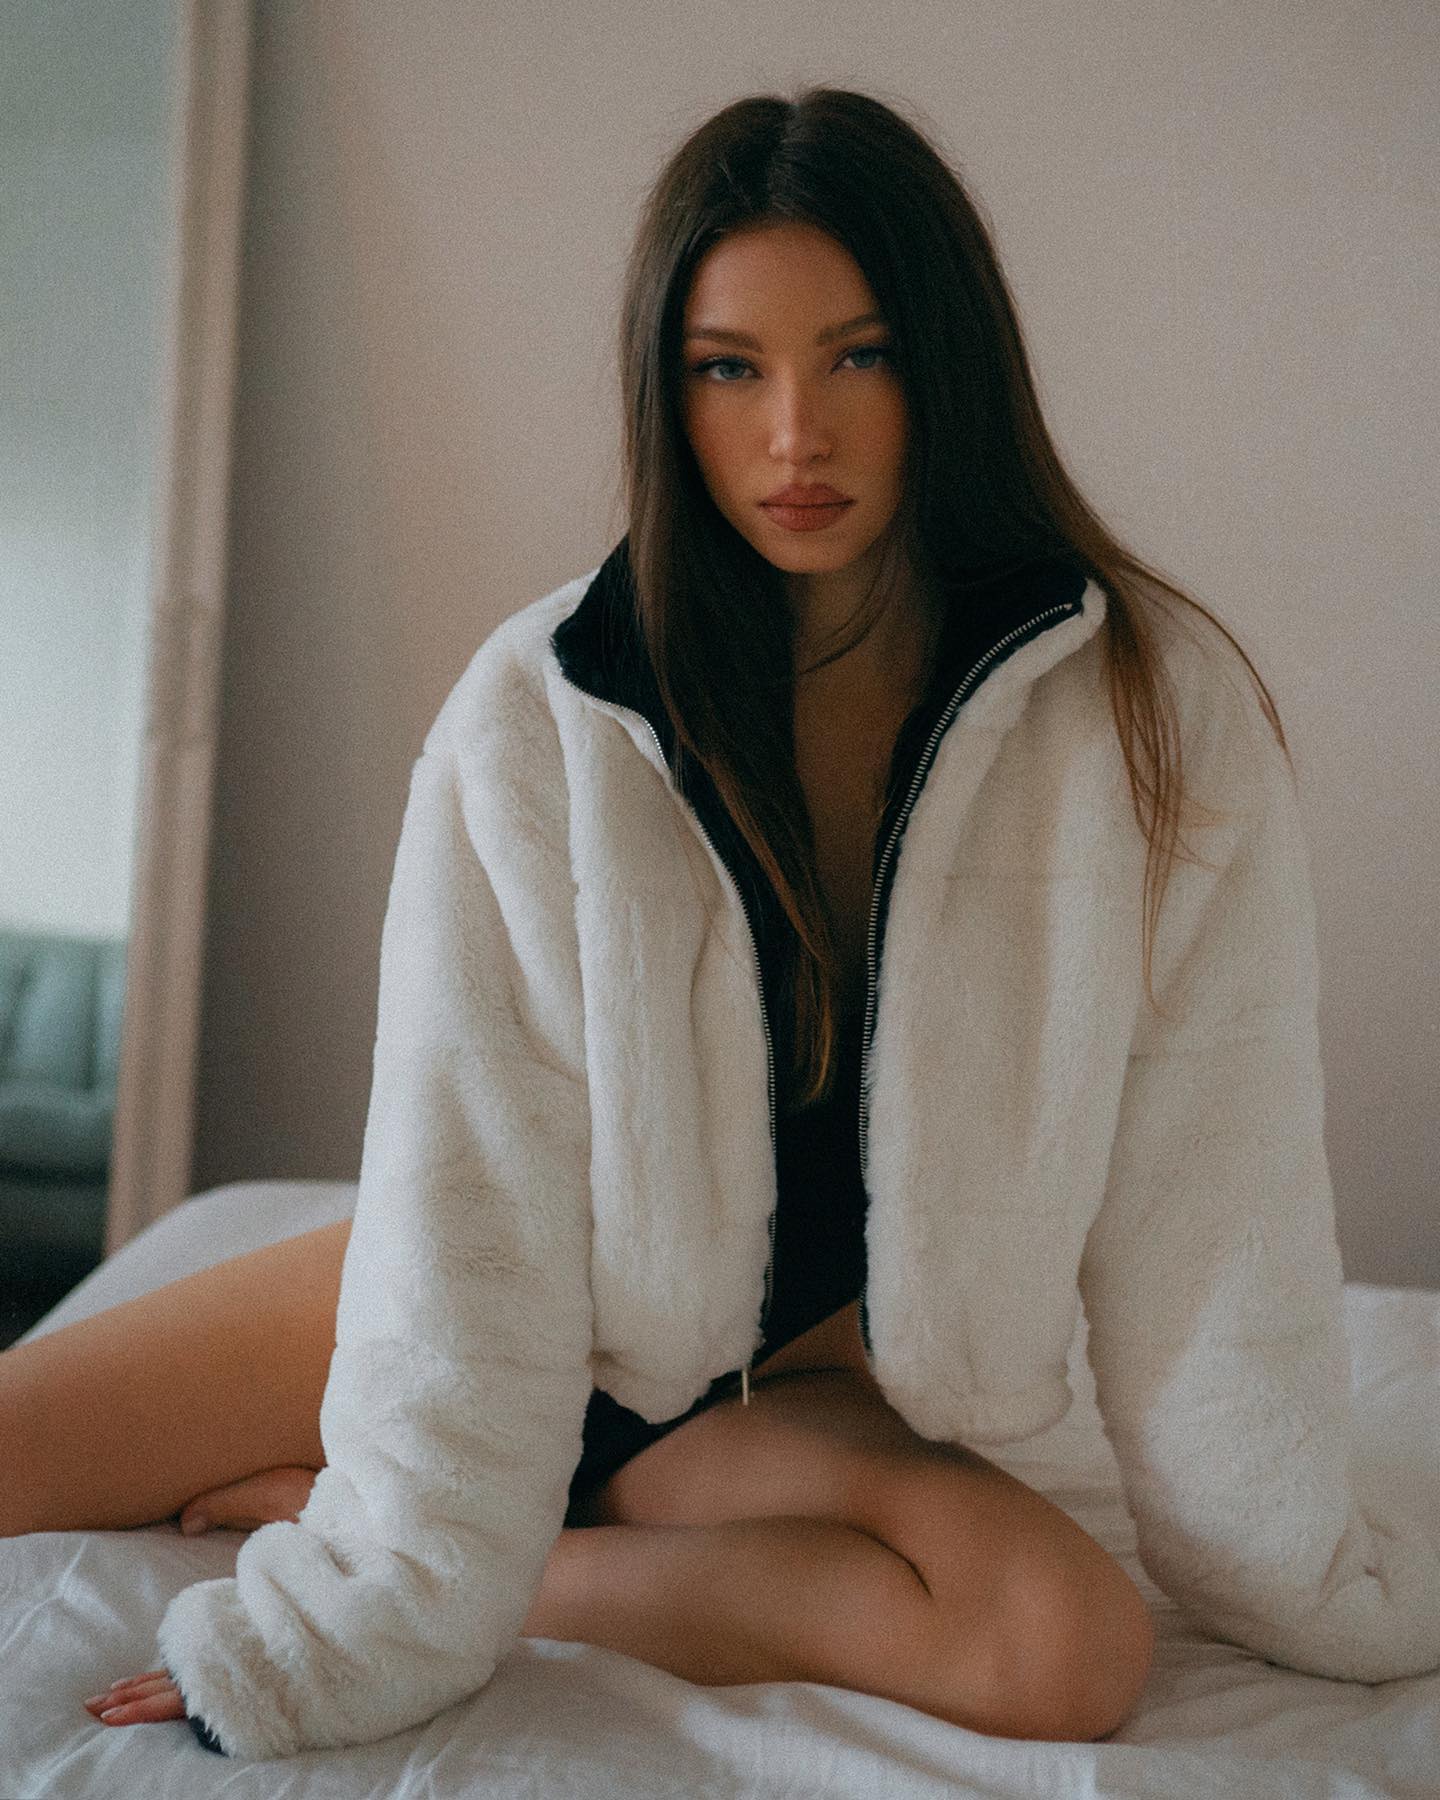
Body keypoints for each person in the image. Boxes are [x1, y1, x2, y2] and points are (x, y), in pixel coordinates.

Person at [5, 85, 1437, 1762]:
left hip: (770, 1383)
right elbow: (469, 1180)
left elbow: (1220, 1192)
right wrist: (380, 1594)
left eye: (859, 356)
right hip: (487, 1292)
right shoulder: (539, 713)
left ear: (948, 366)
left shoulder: (1149, 716)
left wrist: (1302, 1570)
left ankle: (530, 1565)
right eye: (728, 368)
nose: (794, 435)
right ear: (664, 386)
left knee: (1067, 1648)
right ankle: (409, 1515)